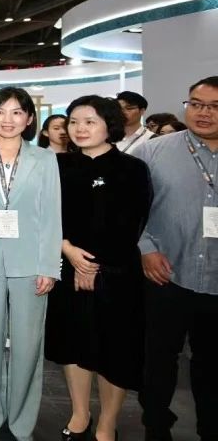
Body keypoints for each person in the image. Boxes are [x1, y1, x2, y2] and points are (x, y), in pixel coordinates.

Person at [45, 95, 150, 441]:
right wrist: (68, 250)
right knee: (73, 344)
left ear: (109, 124)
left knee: (114, 349)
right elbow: (43, 216)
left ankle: (107, 422)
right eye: (74, 121)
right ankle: (80, 413)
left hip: (116, 274)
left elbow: (132, 224)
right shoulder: (56, 166)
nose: (79, 128)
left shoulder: (132, 169)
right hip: (65, 267)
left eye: (90, 121)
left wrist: (91, 266)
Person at [0, 87, 62, 440]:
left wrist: (49, 266)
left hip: (31, 266)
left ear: (29, 118)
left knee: (28, 348)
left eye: (16, 112)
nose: (7, 120)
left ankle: (22, 422)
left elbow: (51, 216)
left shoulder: (45, 159)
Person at [135, 76, 218, 441]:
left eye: (214, 107)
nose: (203, 113)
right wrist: (145, 249)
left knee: (212, 363)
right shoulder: (154, 152)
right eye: (195, 104)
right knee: (159, 359)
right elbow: (128, 209)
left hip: (215, 280)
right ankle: (156, 426)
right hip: (165, 274)